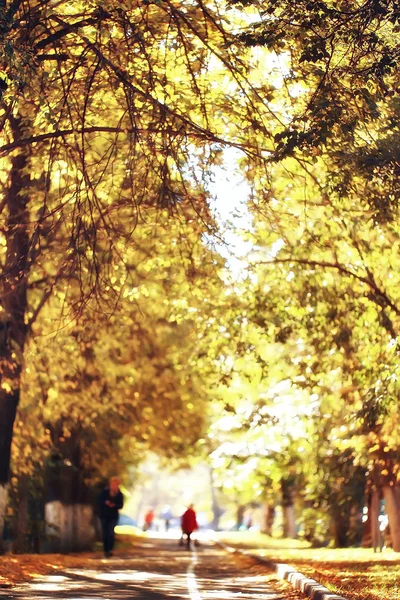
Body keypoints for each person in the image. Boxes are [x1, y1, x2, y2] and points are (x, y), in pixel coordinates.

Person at [98, 476, 124, 558]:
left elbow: (121, 505)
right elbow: (99, 501)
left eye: (116, 484)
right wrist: (105, 502)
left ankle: (110, 550)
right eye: (113, 483)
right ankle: (105, 550)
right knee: (105, 532)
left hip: (113, 516)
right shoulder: (105, 492)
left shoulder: (120, 494)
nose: (114, 485)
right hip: (104, 515)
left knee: (111, 532)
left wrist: (114, 505)